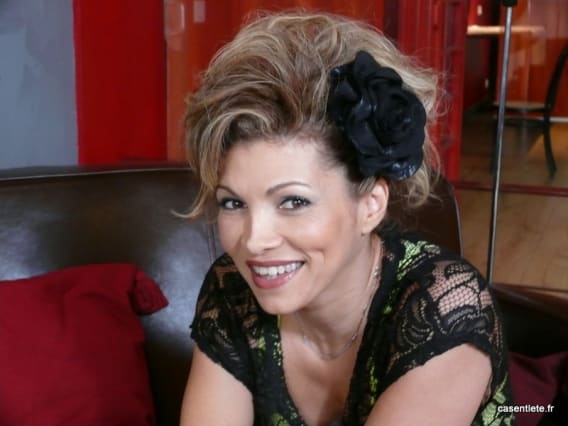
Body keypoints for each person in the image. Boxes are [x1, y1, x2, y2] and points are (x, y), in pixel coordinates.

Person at [179, 10, 513, 426]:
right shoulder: (233, 290)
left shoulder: (443, 312)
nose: (254, 240)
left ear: (370, 204)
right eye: (233, 203)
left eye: (293, 202)